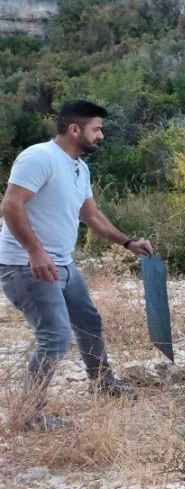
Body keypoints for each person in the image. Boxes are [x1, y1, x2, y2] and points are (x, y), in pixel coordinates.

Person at [0, 100, 153, 432]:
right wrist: (34, 251)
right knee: (54, 335)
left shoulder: (79, 168)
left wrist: (128, 243)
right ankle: (27, 416)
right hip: (26, 265)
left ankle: (103, 382)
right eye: (96, 129)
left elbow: (92, 216)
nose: (101, 135)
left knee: (88, 322)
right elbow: (11, 205)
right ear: (74, 129)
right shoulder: (39, 157)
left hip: (63, 265)